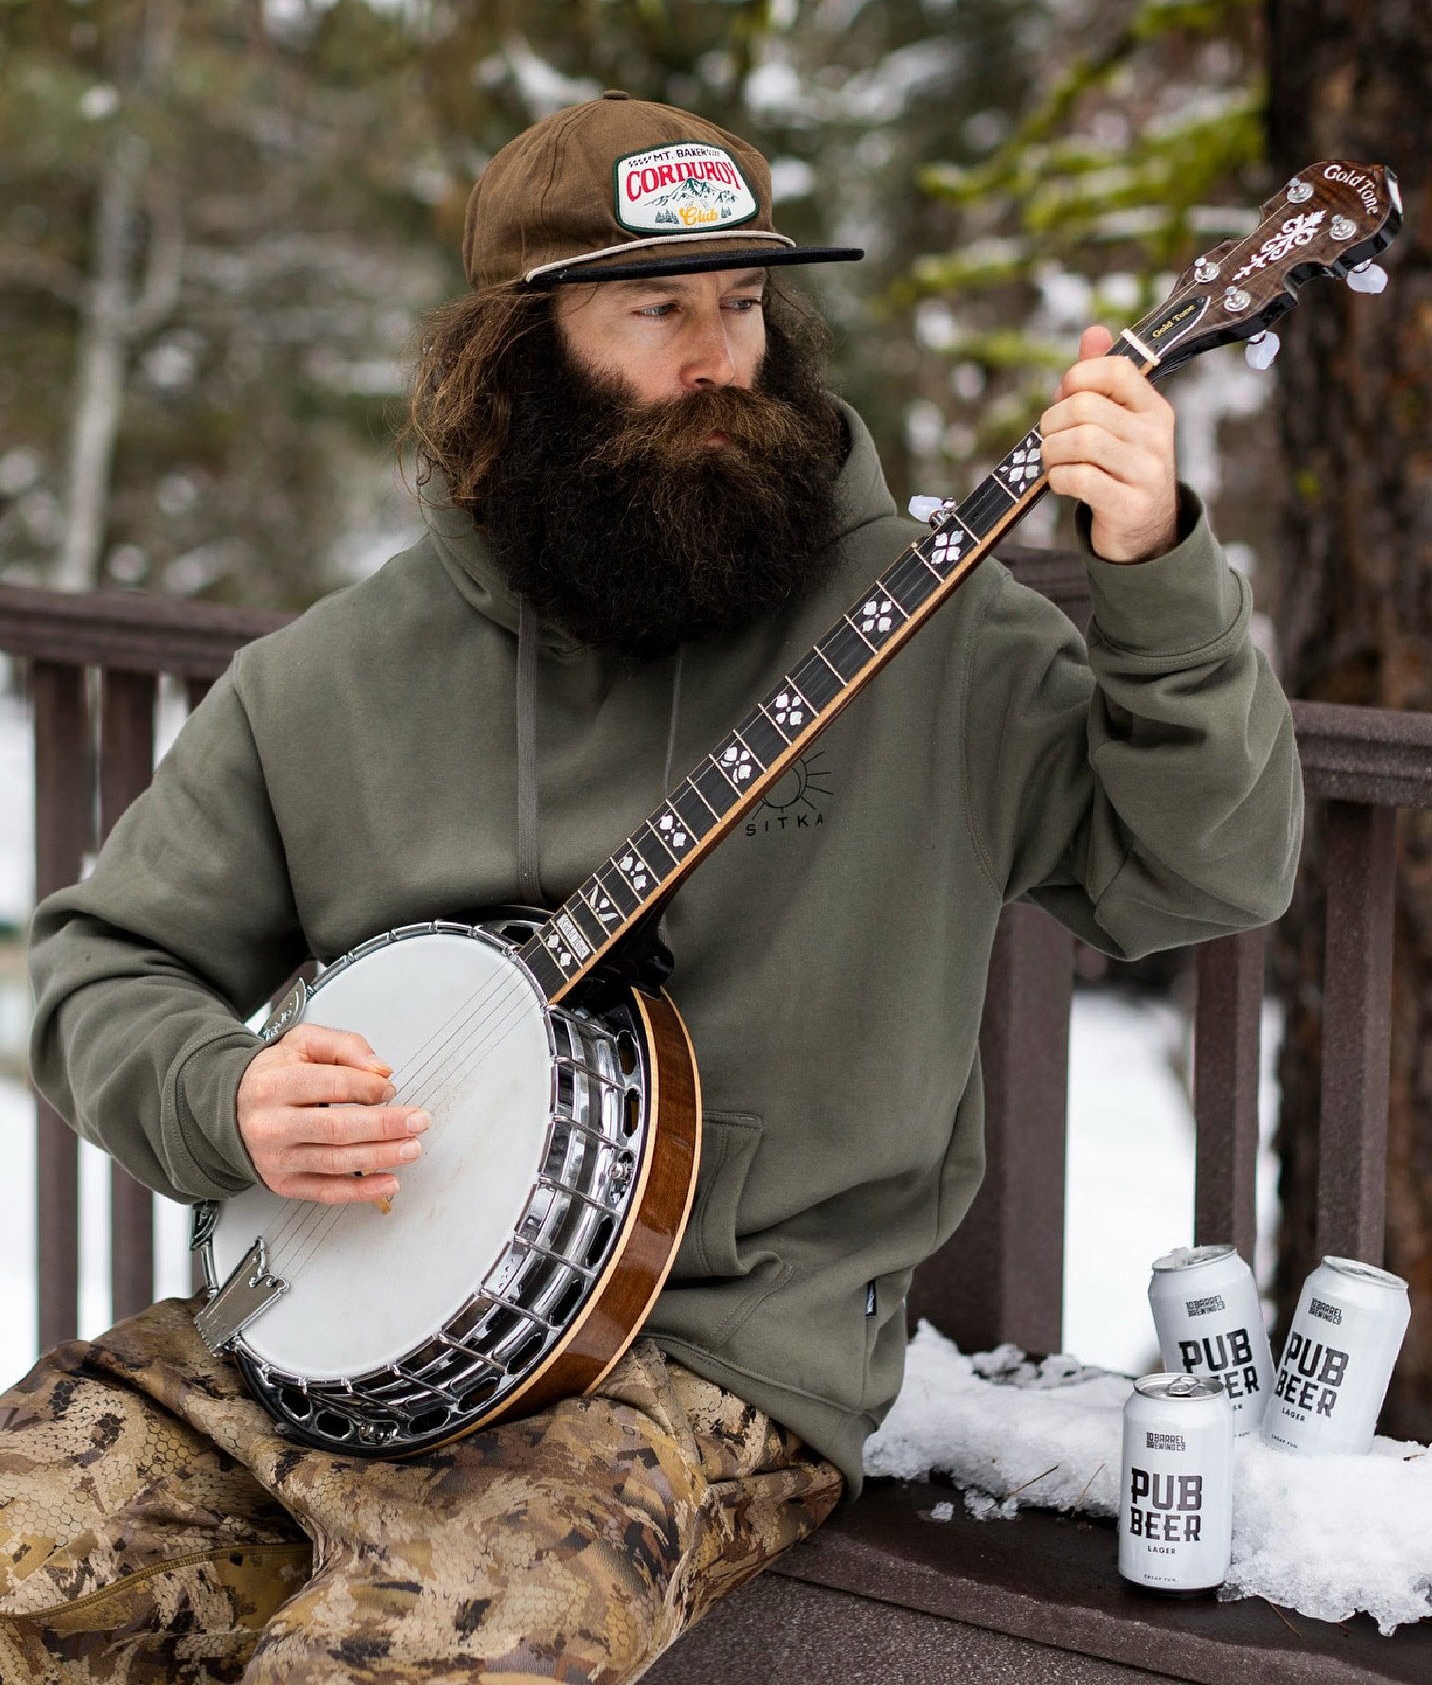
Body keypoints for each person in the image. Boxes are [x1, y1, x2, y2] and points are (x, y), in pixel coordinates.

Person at [1, 92, 1302, 1683]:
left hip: (703, 1366)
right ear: (515, 356)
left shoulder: (936, 640)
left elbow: (1208, 872)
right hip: (315, 1342)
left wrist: (1158, 570)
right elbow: (97, 967)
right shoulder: (330, 679)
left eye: (743, 304)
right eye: (655, 311)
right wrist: (229, 1096)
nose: (717, 359)